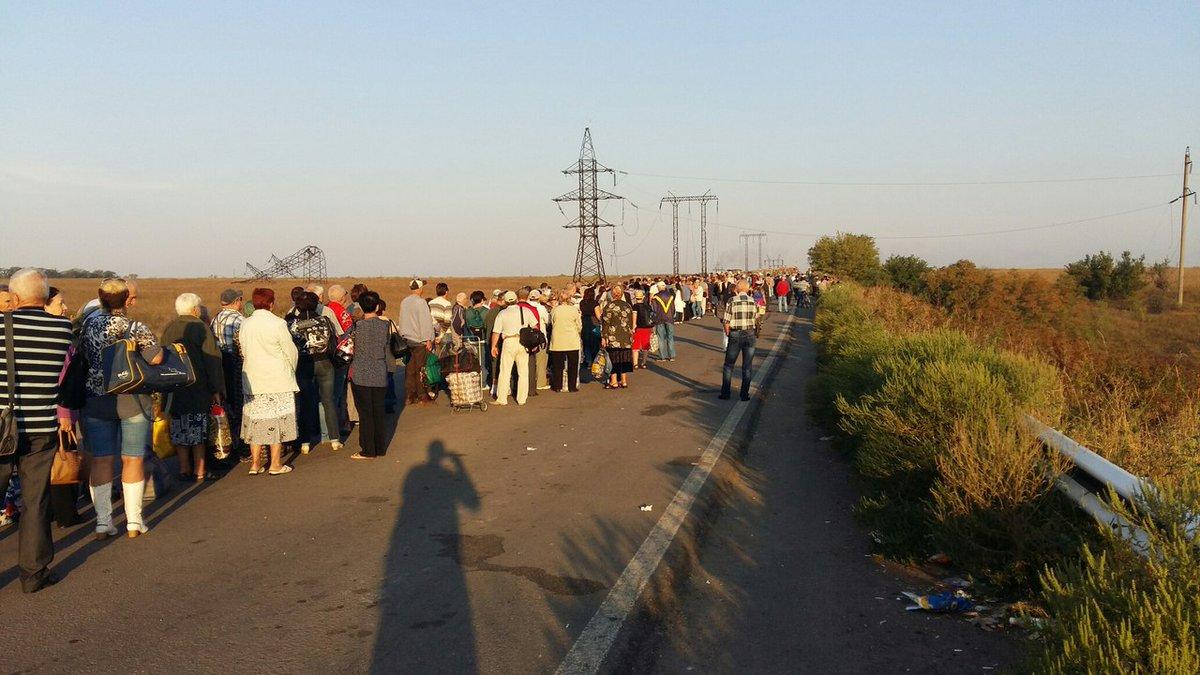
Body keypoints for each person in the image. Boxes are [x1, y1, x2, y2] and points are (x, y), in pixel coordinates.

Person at [0, 269, 73, 592]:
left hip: (2, 426)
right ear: (44, 297)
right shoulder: (62, 328)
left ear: (14, 298)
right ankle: (33, 572)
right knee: (36, 500)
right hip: (42, 428)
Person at [79, 277, 161, 539]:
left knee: (102, 459)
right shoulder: (135, 326)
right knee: (133, 457)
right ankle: (134, 521)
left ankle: (103, 522)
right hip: (132, 398)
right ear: (127, 299)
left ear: (100, 298)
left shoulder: (87, 326)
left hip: (96, 398)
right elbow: (156, 358)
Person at [160, 292, 225, 482]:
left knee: (179, 429)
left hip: (174, 388)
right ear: (195, 309)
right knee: (198, 430)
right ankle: (200, 470)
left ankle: (184, 469)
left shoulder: (169, 328)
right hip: (197, 388)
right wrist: (216, 389)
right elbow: (212, 360)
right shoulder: (201, 328)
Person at [238, 288, 298, 476]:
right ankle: (275, 464)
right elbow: (290, 351)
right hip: (277, 379)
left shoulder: (245, 324)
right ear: (271, 303)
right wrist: (291, 370)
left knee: (256, 420)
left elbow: (244, 350)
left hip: (254, 379)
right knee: (277, 421)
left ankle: (255, 463)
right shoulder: (278, 323)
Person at [286, 291, 341, 454]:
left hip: (303, 364)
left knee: (305, 403)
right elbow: (334, 340)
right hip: (324, 362)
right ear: (317, 304)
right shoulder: (324, 320)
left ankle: (305, 442)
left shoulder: (293, 323)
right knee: (328, 401)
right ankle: (334, 439)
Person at [345, 291, 393, 460]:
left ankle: (368, 449)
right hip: (379, 370)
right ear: (378, 306)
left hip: (361, 372)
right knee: (378, 411)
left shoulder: (357, 326)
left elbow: (348, 346)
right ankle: (380, 447)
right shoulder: (385, 326)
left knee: (365, 413)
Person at [211, 288, 248, 462]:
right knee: (240, 404)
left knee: (227, 405)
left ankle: (227, 443)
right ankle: (241, 445)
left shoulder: (215, 319)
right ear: (237, 301)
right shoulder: (240, 319)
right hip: (235, 364)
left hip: (220, 365)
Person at [490, 290, 538, 406]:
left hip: (508, 341)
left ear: (505, 301)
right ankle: (522, 399)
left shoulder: (502, 314)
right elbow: (535, 326)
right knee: (523, 371)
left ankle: (502, 398)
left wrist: (493, 346)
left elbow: (496, 332)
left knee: (505, 371)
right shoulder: (525, 311)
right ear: (516, 300)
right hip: (523, 342)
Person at [398, 279, 436, 405]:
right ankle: (422, 395)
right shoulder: (421, 302)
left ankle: (409, 395)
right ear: (420, 288)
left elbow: (402, 320)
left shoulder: (404, 302)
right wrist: (428, 339)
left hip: (407, 340)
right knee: (421, 368)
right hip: (419, 340)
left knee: (409, 369)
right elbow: (425, 322)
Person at [721, 279, 758, 402]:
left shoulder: (732, 301)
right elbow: (756, 317)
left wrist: (728, 333)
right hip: (750, 334)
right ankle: (744, 394)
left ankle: (726, 393)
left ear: (738, 288)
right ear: (747, 289)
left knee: (728, 365)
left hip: (735, 333)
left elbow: (726, 320)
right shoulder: (753, 301)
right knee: (747, 366)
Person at [600, 284, 635, 389]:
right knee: (625, 358)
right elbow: (630, 321)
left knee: (613, 358)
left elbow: (605, 323)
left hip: (613, 336)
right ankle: (624, 380)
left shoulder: (609, 306)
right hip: (626, 336)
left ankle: (614, 381)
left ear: (612, 294)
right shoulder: (627, 306)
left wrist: (603, 337)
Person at [547, 289, 582, 393]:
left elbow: (552, 323)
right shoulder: (574, 310)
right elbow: (579, 326)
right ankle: (572, 386)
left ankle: (557, 386)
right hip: (572, 340)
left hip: (558, 340)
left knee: (558, 365)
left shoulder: (554, 310)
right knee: (572, 365)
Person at [527, 289, 550, 393]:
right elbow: (547, 320)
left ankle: (529, 381)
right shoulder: (541, 308)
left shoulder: (524, 307)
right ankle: (541, 382)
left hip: (527, 337)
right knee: (541, 361)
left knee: (530, 361)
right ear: (538, 297)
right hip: (540, 336)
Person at [579, 287, 602, 378]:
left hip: (585, 322)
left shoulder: (582, 303)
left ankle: (587, 360)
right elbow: (598, 315)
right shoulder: (595, 303)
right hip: (593, 323)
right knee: (595, 343)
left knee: (586, 342)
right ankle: (594, 361)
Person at [651, 282, 677, 362]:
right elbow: (673, 308)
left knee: (661, 338)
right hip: (669, 318)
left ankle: (662, 357)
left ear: (658, 287)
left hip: (659, 319)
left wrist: (653, 318)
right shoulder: (671, 296)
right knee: (670, 337)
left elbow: (654, 309)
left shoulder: (655, 297)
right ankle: (672, 356)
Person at [631, 288, 654, 369]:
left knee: (635, 346)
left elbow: (634, 317)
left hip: (638, 328)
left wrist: (633, 327)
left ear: (635, 297)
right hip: (647, 328)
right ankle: (643, 363)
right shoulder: (648, 306)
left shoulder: (634, 306)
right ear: (643, 297)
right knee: (645, 346)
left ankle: (635, 363)